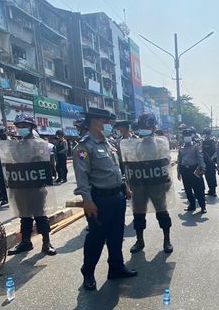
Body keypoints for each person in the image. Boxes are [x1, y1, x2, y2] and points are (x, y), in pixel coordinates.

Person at [74, 107, 137, 291]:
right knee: (96, 238)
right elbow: (82, 176)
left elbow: (116, 169)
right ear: (94, 122)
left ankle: (116, 268)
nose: (108, 125)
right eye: (105, 121)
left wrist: (124, 187)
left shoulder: (109, 143)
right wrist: (87, 200)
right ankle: (88, 273)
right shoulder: (84, 147)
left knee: (116, 236)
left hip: (117, 197)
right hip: (98, 200)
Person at [7, 113, 57, 256]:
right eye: (19, 126)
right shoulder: (18, 145)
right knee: (24, 216)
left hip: (36, 185)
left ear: (31, 127)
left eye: (24, 126)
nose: (21, 129)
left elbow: (44, 163)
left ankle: (46, 243)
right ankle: (25, 242)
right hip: (21, 185)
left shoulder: (41, 144)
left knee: (40, 215)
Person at [126, 112, 174, 254]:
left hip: (156, 183)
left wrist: (167, 180)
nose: (144, 129)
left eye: (147, 126)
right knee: (139, 213)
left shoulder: (160, 143)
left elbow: (166, 162)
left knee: (162, 212)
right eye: (142, 126)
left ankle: (167, 240)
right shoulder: (134, 144)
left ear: (153, 128)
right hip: (139, 184)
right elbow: (130, 164)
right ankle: (139, 241)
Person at [177, 127, 207, 213]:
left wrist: (203, 167)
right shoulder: (181, 148)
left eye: (188, 135)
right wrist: (178, 172)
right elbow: (179, 160)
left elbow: (200, 158)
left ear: (191, 136)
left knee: (198, 189)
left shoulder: (196, 146)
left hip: (194, 170)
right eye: (185, 135)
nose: (187, 137)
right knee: (188, 189)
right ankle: (192, 205)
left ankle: (202, 206)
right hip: (184, 170)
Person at [201, 128, 218, 197]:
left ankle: (213, 190)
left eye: (208, 134)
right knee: (207, 176)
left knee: (212, 176)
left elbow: (217, 151)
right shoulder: (202, 142)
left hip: (212, 162)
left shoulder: (213, 142)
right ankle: (210, 190)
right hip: (205, 162)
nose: (207, 136)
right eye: (205, 134)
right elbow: (201, 151)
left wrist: (212, 158)